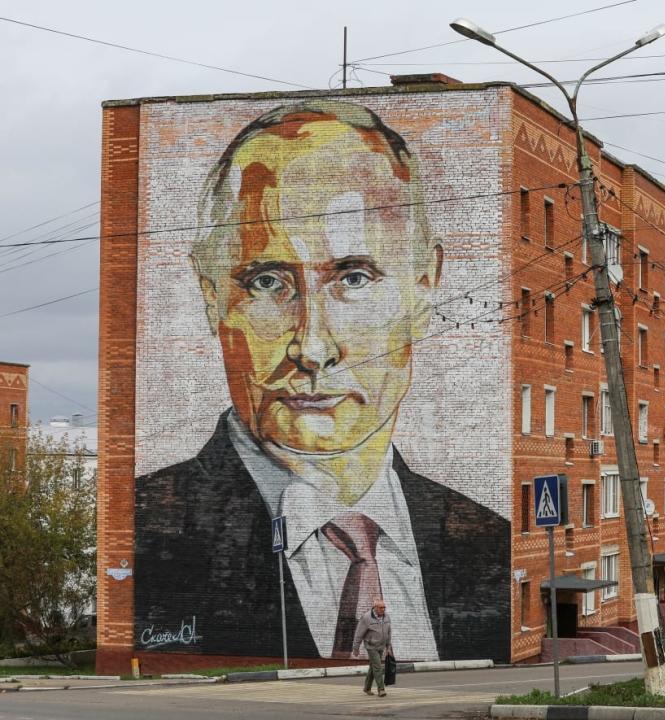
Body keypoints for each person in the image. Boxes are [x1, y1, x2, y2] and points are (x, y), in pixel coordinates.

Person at [134, 99, 510, 663]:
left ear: (426, 288)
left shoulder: (490, 542)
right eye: (266, 282)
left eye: (354, 277)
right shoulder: (146, 533)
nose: (312, 348)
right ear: (212, 296)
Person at [353, 599, 392, 697]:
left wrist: (388, 647)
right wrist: (356, 648)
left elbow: (388, 633)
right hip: (371, 646)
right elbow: (359, 633)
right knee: (378, 667)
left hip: (381, 646)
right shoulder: (366, 618)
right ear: (375, 608)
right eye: (381, 607)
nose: (383, 609)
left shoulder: (387, 617)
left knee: (373, 667)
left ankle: (367, 688)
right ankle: (381, 689)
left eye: (384, 607)